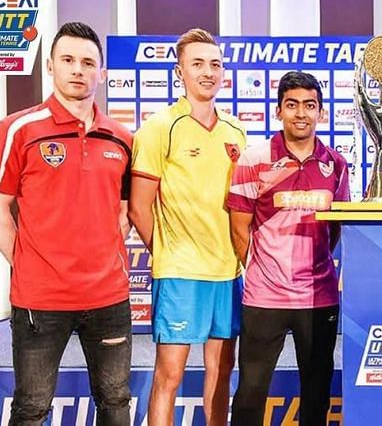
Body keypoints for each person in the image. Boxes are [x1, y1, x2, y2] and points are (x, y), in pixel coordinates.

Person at [0, 22, 132, 424]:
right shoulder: (18, 128)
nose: (78, 70)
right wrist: (31, 265)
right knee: (31, 407)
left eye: (88, 62)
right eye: (68, 60)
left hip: (109, 297)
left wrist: (102, 257)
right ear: (50, 66)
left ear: (102, 72)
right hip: (39, 300)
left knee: (116, 403)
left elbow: (124, 211)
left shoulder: (121, 137)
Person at [128, 28, 247, 426]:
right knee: (170, 376)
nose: (208, 72)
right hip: (180, 274)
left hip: (228, 273)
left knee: (221, 374)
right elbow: (139, 207)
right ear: (180, 71)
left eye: (215, 64)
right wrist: (167, 254)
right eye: (197, 64)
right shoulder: (160, 127)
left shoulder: (235, 132)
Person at [228, 71, 350, 426]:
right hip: (264, 298)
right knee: (251, 393)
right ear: (279, 110)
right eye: (292, 105)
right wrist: (263, 271)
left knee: (317, 393)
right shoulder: (255, 159)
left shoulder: (336, 164)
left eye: (309, 106)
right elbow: (239, 228)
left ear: (321, 112)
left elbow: (335, 228)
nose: (301, 113)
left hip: (319, 297)